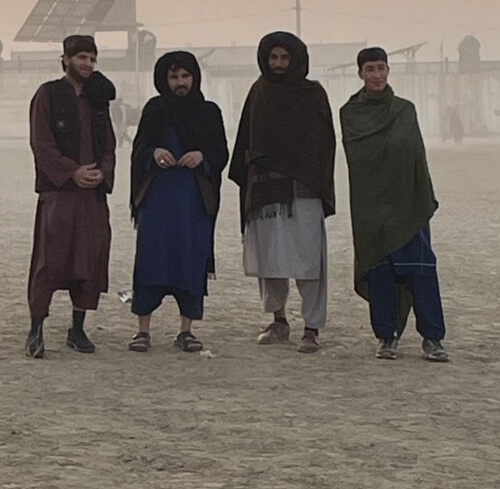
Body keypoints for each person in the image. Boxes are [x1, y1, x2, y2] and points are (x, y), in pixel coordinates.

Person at [229, 32, 335, 354]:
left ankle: (312, 327)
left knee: (308, 260)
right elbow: (246, 138)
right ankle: (278, 320)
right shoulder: (259, 91)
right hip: (265, 188)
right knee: (270, 258)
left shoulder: (312, 94)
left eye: (284, 58)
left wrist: (299, 168)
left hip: (304, 188)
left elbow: (324, 143)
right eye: (273, 58)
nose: (277, 64)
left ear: (296, 59)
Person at [340, 47, 448, 362]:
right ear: (360, 73)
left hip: (407, 202)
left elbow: (414, 155)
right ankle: (387, 337)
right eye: (369, 69)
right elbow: (359, 159)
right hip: (371, 204)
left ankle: (433, 338)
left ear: (388, 71)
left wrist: (421, 197)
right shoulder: (351, 113)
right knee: (379, 269)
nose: (376, 75)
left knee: (421, 269)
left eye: (381, 68)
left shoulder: (405, 110)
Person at [128, 51, 228, 353]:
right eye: (174, 77)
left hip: (193, 200)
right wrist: (154, 153)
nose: (180, 83)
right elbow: (139, 150)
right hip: (158, 198)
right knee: (150, 258)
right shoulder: (155, 110)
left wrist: (202, 156)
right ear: (164, 80)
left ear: (195, 78)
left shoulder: (208, 112)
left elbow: (220, 153)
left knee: (190, 259)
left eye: (185, 76)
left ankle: (186, 330)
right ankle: (142, 331)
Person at [26, 34, 116, 358]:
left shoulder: (98, 101)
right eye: (81, 58)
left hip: (92, 196)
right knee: (49, 262)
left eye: (92, 58)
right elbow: (41, 144)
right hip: (59, 194)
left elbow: (108, 146)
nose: (87, 64)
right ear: (65, 60)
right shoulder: (48, 94)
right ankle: (36, 330)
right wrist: (72, 172)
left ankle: (77, 329)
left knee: (90, 260)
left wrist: (102, 173)